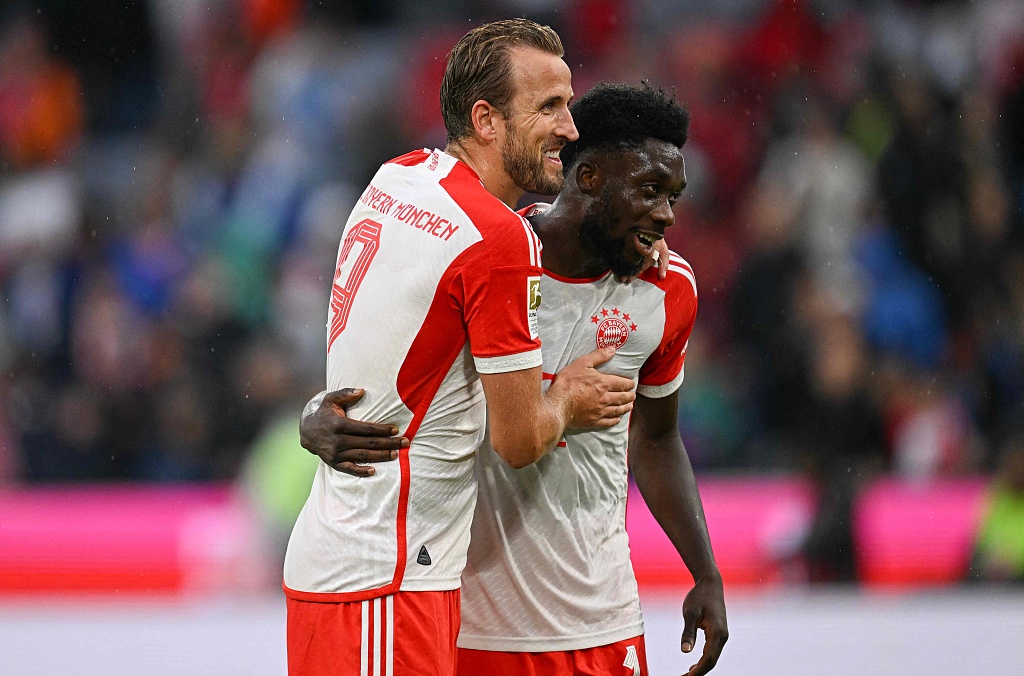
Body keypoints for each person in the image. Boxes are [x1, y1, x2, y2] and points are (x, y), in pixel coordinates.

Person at [302, 83, 729, 676]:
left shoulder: (669, 289)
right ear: (588, 178)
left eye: (673, 197)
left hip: (602, 620)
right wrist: (316, 413)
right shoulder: (485, 256)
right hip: (470, 619)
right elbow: (384, 358)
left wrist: (705, 573)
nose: (666, 215)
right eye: (649, 191)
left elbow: (655, 438)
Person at [283, 20, 639, 676]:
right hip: (390, 578)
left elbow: (380, 347)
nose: (570, 128)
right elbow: (519, 440)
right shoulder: (498, 238)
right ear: (486, 120)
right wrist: (567, 400)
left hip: (348, 558)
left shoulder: (396, 179)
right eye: (549, 107)